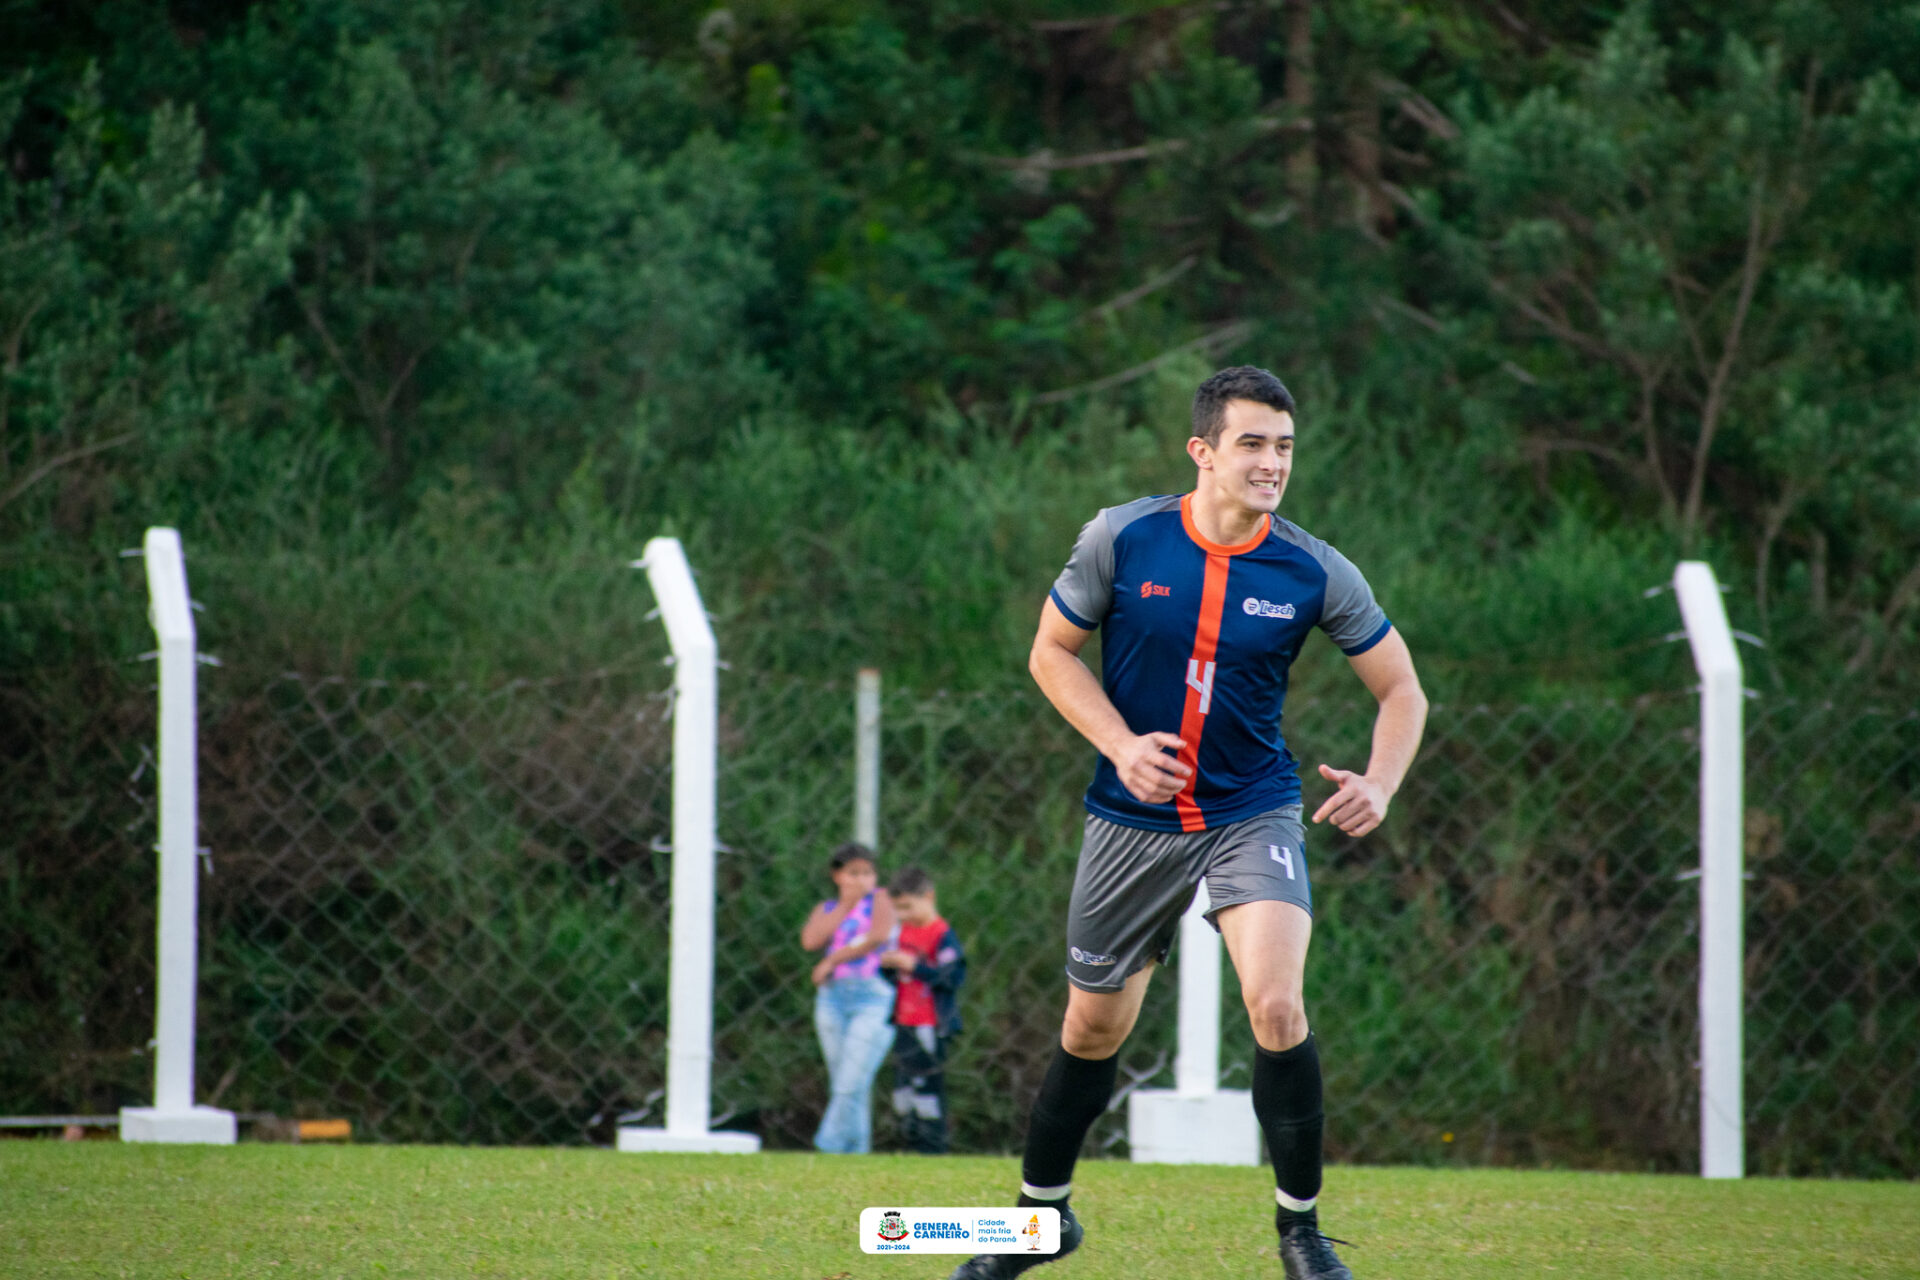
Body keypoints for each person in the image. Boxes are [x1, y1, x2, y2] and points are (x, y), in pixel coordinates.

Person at [949, 366, 1428, 1280]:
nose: (1272, 463)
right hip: (1131, 817)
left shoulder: (1314, 567)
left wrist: (1383, 779)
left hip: (1253, 809)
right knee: (1091, 1030)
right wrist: (1123, 744)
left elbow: (1402, 688)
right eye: (1252, 443)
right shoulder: (1122, 538)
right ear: (1201, 451)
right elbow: (1050, 654)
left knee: (1277, 1003)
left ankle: (1301, 1233)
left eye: (1284, 446)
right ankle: (1037, 1225)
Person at [800, 842, 897, 1154]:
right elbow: (811, 940)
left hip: (871, 996)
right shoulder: (827, 909)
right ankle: (855, 1151)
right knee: (844, 1081)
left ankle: (827, 1145)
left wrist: (833, 960)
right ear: (837, 876)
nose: (862, 881)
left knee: (851, 1079)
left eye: (867, 873)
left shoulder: (880, 901)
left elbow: (878, 937)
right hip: (833, 998)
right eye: (853, 873)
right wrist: (844, 906)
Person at [879, 865, 967, 1154]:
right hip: (904, 1021)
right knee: (904, 1089)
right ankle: (910, 1146)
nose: (902, 915)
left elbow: (952, 978)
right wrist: (889, 967)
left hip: (929, 1024)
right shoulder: (901, 932)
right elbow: (895, 979)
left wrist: (915, 967)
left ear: (928, 897)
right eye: (897, 909)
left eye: (907, 907)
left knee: (928, 1086)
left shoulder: (942, 935)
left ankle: (933, 1149)